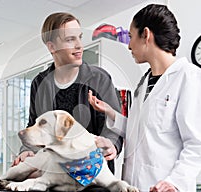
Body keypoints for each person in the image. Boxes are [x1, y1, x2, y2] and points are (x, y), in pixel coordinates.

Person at [88, 4, 201, 192]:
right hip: (133, 188)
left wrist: (174, 181)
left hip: (166, 190)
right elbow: (142, 133)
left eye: (131, 37)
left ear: (146, 34)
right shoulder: (145, 82)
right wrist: (110, 112)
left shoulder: (189, 77)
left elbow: (195, 145)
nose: (129, 45)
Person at [12, 12, 123, 174]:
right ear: (52, 47)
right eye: (70, 39)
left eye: (79, 37)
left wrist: (112, 144)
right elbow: (34, 126)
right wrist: (26, 150)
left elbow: (114, 124)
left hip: (91, 175)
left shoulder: (99, 78)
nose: (79, 45)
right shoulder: (39, 83)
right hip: (54, 176)